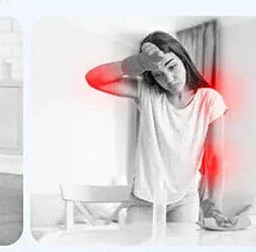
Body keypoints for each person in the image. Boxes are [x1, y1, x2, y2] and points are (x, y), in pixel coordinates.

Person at [85, 31, 233, 227]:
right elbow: (94, 79)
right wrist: (134, 64)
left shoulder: (209, 99)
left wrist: (213, 202)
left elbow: (215, 157)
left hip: (184, 198)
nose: (169, 78)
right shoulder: (147, 92)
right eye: (158, 75)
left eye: (172, 66)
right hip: (144, 197)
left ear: (183, 58)